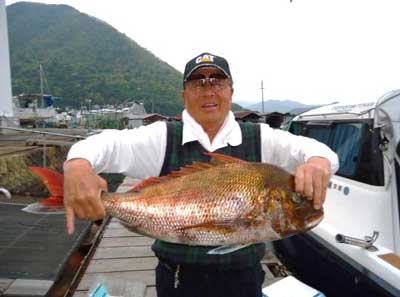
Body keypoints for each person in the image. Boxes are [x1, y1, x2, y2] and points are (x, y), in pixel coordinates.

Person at [64, 52, 339, 297]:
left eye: (217, 82)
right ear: (184, 94)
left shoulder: (262, 138)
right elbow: (108, 143)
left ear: (231, 91)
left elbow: (319, 151)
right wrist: (78, 165)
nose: (208, 91)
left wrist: (318, 162)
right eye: (198, 83)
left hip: (243, 281)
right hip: (177, 281)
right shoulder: (162, 137)